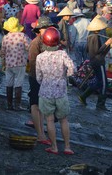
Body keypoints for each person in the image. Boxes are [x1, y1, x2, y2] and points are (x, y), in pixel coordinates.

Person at [36, 27, 75, 155]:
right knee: (64, 119)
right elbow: (72, 69)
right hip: (61, 92)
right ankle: (67, 147)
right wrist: (65, 76)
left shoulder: (40, 57)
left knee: (49, 120)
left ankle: (54, 147)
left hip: (46, 92)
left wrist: (46, 81)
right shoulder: (63, 54)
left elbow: (38, 77)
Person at [27, 16, 53, 144]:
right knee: (35, 104)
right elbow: (32, 63)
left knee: (43, 105)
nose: (47, 30)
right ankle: (40, 134)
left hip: (46, 78)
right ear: (39, 30)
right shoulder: (35, 43)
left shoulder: (50, 42)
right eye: (45, 28)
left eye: (48, 28)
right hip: (36, 77)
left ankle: (42, 131)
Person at [78, 16, 112, 110]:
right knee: (104, 83)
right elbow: (96, 52)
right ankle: (100, 104)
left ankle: (84, 96)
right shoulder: (94, 37)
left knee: (98, 81)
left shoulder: (91, 36)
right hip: (98, 61)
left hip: (95, 61)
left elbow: (88, 50)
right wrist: (106, 44)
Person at [0, 17, 31, 111]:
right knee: (18, 83)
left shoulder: (6, 37)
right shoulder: (23, 36)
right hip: (20, 63)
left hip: (8, 63)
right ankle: (17, 105)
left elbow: (2, 52)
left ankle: (9, 104)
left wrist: (3, 63)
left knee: (9, 83)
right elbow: (29, 47)